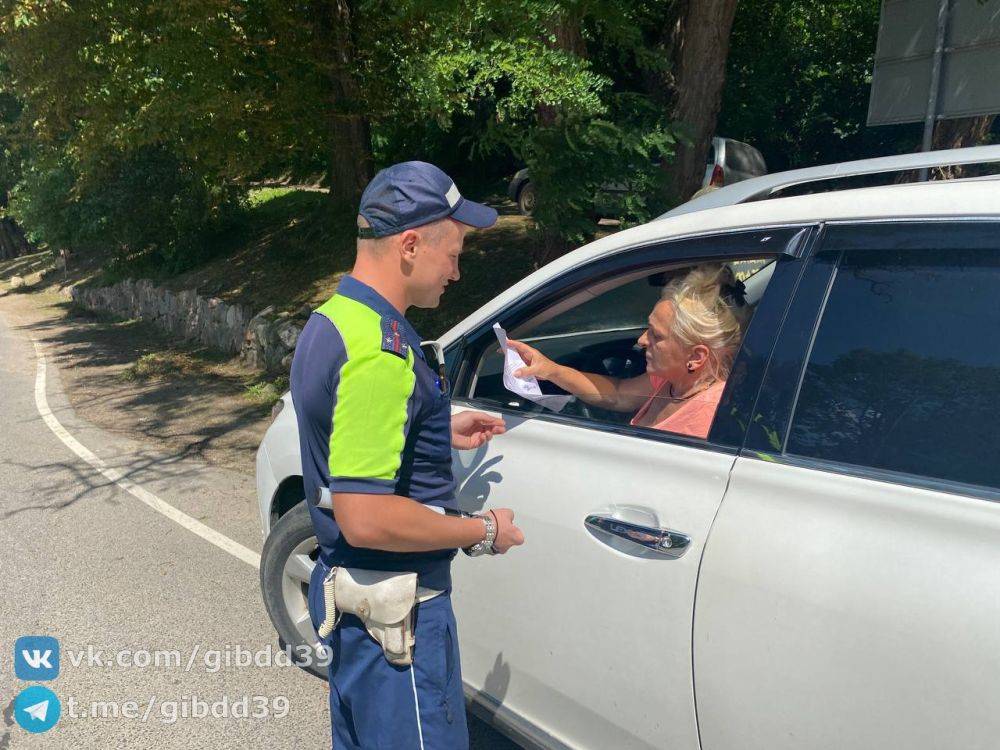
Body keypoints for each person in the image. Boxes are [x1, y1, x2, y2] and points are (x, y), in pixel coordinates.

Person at [290, 161, 525, 750]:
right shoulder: (382, 353)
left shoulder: (337, 319)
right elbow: (365, 516)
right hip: (400, 622)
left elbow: (344, 422)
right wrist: (481, 530)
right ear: (411, 244)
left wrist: (433, 425)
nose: (457, 269)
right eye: (454, 251)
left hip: (354, 611)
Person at [509, 264, 750, 439]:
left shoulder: (707, 419)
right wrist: (551, 370)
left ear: (696, 357)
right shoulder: (674, 381)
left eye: (656, 335)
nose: (642, 340)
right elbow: (619, 394)